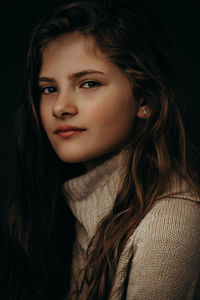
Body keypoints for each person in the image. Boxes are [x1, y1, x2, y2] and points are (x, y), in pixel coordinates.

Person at [1, 0, 200, 299]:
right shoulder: (75, 209)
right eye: (48, 88)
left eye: (89, 83)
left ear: (145, 101)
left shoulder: (169, 225)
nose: (60, 107)